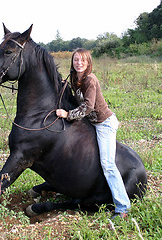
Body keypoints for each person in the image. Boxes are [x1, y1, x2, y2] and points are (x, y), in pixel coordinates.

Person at [56, 48, 131, 219]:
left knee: (107, 164)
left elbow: (88, 106)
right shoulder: (75, 78)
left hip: (104, 124)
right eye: (76, 60)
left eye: (82, 60)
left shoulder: (90, 80)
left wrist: (68, 115)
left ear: (88, 63)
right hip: (91, 122)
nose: (79, 63)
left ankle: (123, 207)